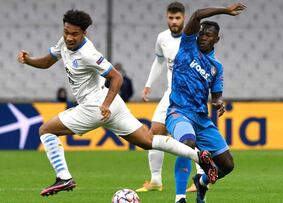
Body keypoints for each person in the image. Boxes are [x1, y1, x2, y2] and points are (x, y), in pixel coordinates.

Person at [16, 9, 217, 197]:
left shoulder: (88, 54)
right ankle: (199, 156)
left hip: (96, 105)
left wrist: (104, 105)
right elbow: (47, 61)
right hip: (110, 106)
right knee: (147, 141)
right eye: (66, 32)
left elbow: (117, 77)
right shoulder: (64, 42)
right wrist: (29, 60)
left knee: (46, 130)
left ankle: (64, 177)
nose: (69, 37)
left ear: (84, 33)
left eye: (74, 34)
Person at [165, 3, 246, 203]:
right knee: (187, 143)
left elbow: (216, 95)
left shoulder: (216, 67)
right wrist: (226, 11)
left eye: (208, 35)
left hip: (201, 120)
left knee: (227, 165)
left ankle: (201, 182)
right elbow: (197, 14)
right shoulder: (187, 46)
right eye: (202, 33)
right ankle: (180, 197)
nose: (203, 37)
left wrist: (219, 103)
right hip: (179, 111)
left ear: (216, 40)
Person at [136, 2, 203, 200]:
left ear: (184, 18)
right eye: (171, 18)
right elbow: (159, 61)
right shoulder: (162, 38)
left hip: (191, 96)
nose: (174, 22)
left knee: (191, 138)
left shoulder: (194, 38)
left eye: (178, 18)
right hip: (170, 94)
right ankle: (156, 180)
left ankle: (199, 177)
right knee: (154, 133)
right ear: (167, 18)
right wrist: (149, 84)